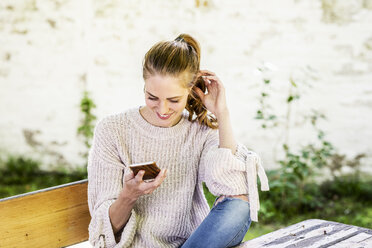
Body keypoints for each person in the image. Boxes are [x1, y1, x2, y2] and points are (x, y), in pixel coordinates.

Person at [87, 33, 269, 248]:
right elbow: (105, 231)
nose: (162, 110)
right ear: (144, 86)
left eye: (174, 100)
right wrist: (129, 195)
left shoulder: (199, 131)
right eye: (152, 97)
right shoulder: (112, 130)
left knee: (239, 206)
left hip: (192, 244)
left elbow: (233, 189)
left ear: (191, 90)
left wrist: (222, 113)